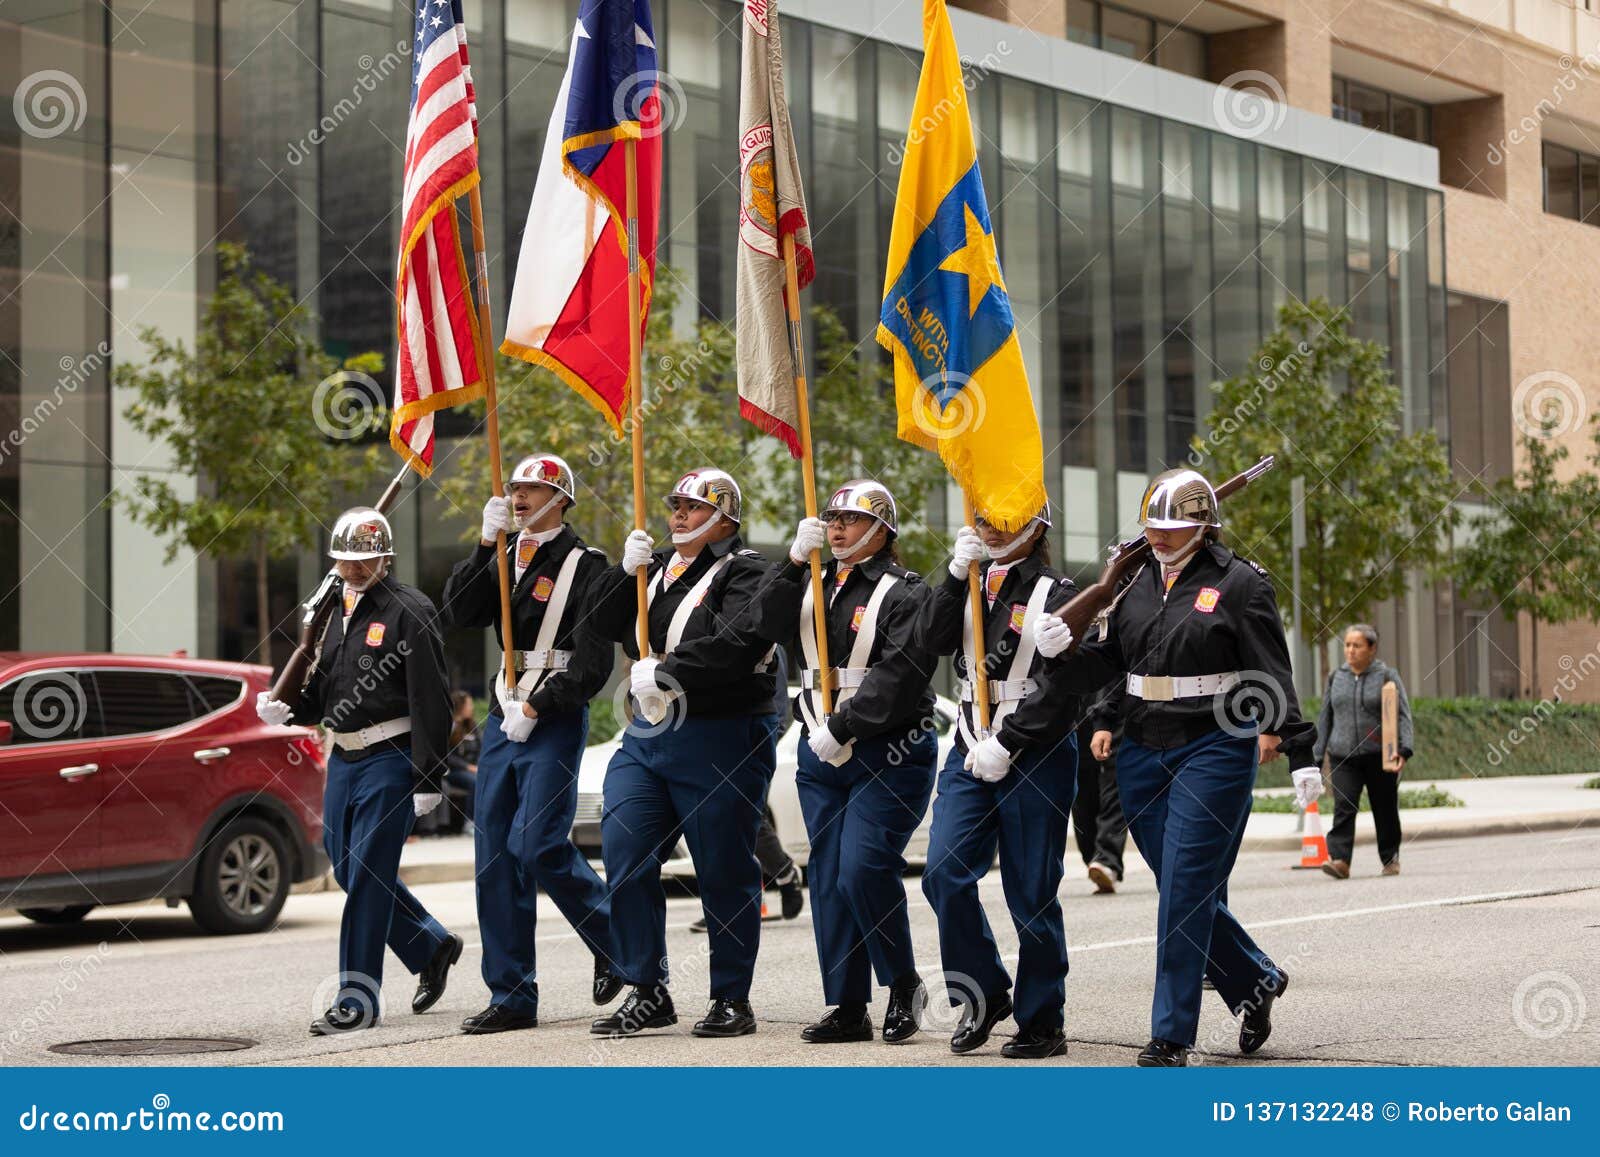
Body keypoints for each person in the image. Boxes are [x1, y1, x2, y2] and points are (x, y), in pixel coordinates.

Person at [1032, 468, 1319, 1066]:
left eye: (1175, 525)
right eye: (1153, 525)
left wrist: (1299, 749)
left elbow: (1271, 671)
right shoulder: (1133, 579)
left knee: (1185, 887)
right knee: (1180, 887)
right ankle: (1256, 980)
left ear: (1205, 525)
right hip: (1142, 746)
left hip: (1213, 744)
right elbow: (1115, 660)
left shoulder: (1241, 584)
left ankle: (1171, 1034)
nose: (1160, 536)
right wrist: (1062, 653)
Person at [744, 480, 939, 1045]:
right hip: (819, 750)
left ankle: (902, 981)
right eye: (832, 518)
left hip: (889, 749)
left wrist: (845, 726)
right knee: (828, 878)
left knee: (862, 868)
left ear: (882, 530)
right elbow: (757, 626)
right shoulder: (809, 580)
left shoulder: (907, 591)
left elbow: (901, 676)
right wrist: (787, 566)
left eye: (851, 520)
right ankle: (848, 1004)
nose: (836, 527)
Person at [587, 468, 780, 1039]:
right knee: (624, 850)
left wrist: (665, 671)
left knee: (721, 867)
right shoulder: (655, 572)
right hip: (650, 733)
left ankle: (730, 997)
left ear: (724, 516)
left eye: (693, 507)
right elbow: (598, 625)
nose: (677, 515)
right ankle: (647, 987)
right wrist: (624, 576)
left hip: (721, 731)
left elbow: (736, 644)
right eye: (675, 505)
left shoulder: (748, 571)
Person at [255, 507, 462, 1035]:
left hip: (390, 756)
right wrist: (289, 708)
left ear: (385, 559)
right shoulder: (334, 611)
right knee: (348, 870)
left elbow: (431, 699)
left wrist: (428, 776)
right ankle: (430, 944)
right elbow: (328, 688)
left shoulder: (409, 610)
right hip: (344, 756)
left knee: (368, 875)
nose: (353, 570)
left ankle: (357, 998)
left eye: (364, 561)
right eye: (346, 561)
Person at [439, 454, 620, 1034]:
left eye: (535, 489)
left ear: (562, 498)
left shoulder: (588, 565)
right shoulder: (501, 556)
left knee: (538, 844)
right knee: (494, 856)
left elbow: (593, 665)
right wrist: (482, 545)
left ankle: (615, 940)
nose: (520, 496)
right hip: (503, 712)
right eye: (515, 487)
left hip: (553, 714)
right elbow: (457, 612)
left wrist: (540, 706)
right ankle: (512, 993)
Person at [913, 504, 1081, 1060]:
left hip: (1035, 743)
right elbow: (931, 641)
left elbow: (1063, 689)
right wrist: (954, 575)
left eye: (1005, 521)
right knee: (942, 872)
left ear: (1036, 529)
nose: (991, 530)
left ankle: (1041, 1018)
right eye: (985, 521)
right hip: (969, 733)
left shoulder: (1060, 589)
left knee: (1031, 892)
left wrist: (1009, 742)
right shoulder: (971, 579)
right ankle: (983, 991)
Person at [1314, 623, 1414, 879]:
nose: (1350, 650)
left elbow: (1402, 714)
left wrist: (1404, 748)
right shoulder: (1337, 677)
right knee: (1343, 807)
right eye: (1347, 645)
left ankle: (1390, 858)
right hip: (1342, 755)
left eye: (1356, 645)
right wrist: (1316, 755)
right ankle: (1340, 860)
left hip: (1379, 755)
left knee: (1385, 808)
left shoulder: (1386, 676)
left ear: (1372, 648)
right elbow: (1325, 717)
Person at [1074, 681, 1128, 893]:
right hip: (1076, 706)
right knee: (1082, 789)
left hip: (1113, 702)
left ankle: (1107, 859)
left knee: (1115, 785)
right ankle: (1093, 858)